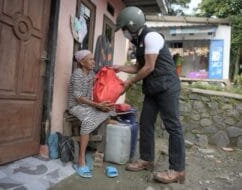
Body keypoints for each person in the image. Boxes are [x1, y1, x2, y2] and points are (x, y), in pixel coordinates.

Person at [113, 6, 185, 184]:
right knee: (145, 122)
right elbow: (138, 67)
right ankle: (146, 159)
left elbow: (149, 66)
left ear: (131, 25)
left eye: (124, 29)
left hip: (167, 87)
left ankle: (177, 170)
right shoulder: (139, 42)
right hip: (153, 88)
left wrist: (129, 82)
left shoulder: (151, 36)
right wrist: (119, 68)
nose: (124, 33)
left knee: (173, 126)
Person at [68, 50, 114, 178]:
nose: (93, 62)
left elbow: (98, 82)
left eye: (93, 59)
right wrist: (97, 105)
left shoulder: (91, 73)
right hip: (76, 106)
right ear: (82, 62)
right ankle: (81, 159)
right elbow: (78, 97)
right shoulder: (77, 74)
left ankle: (96, 150)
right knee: (88, 121)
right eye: (90, 59)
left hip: (88, 105)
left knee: (109, 110)